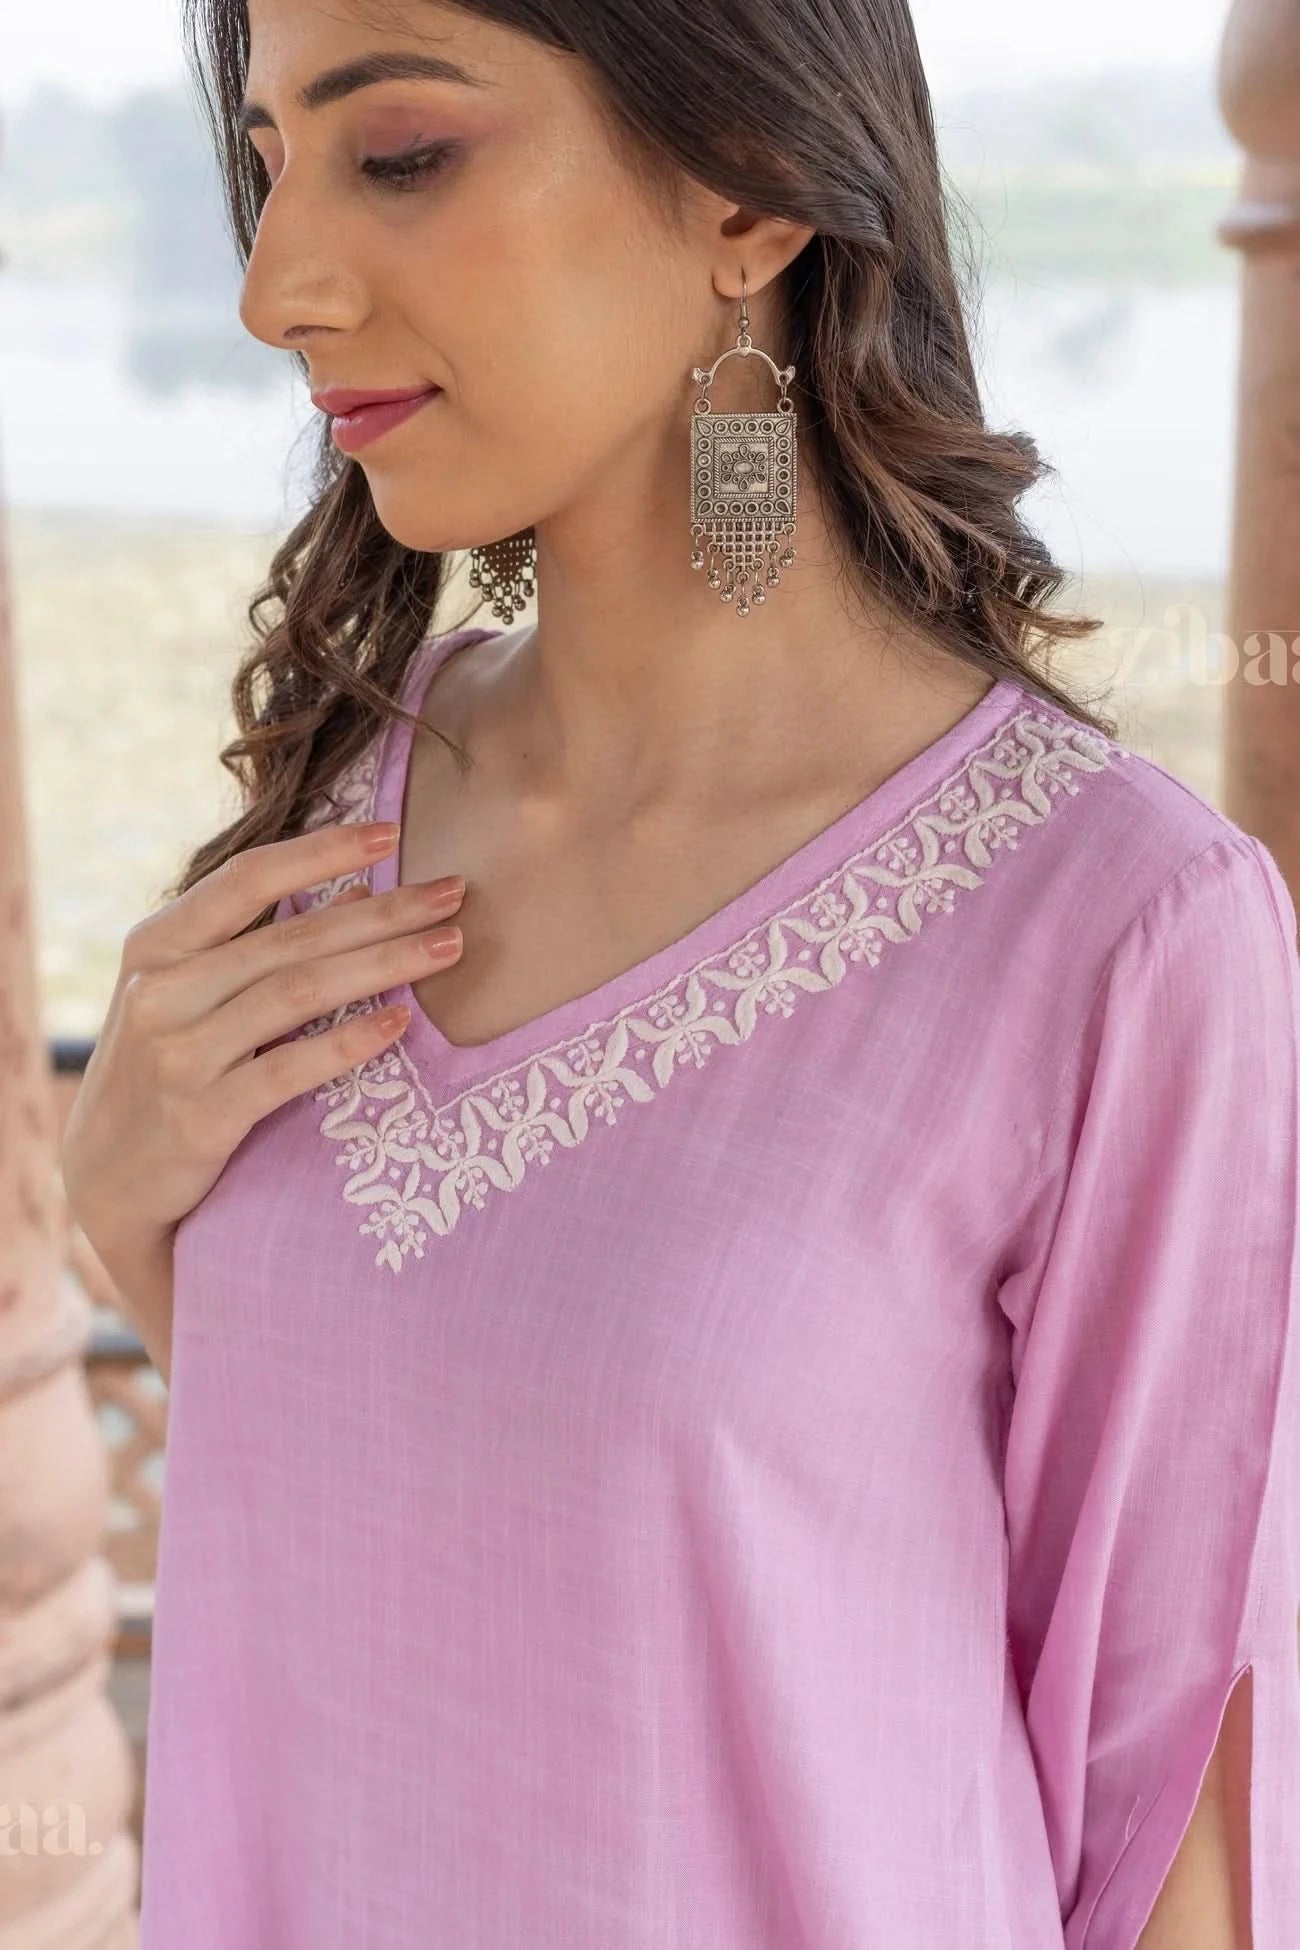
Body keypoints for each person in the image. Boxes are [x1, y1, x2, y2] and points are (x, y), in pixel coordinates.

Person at [59, 0, 1300, 1943]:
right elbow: (436, 1506)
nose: (275, 286)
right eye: (268, 162)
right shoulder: (338, 808)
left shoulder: (1113, 936)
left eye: (396, 158)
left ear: (745, 193)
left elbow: (1170, 1840)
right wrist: (125, 1223)